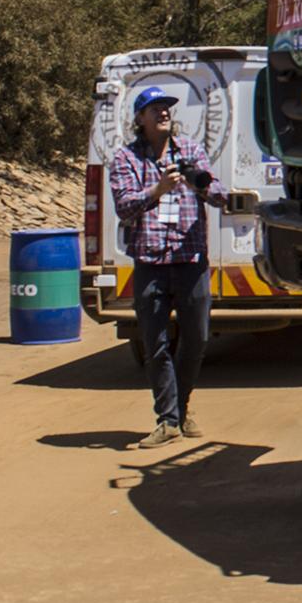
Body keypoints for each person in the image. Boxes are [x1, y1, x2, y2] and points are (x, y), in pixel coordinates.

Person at [107, 86, 228, 448]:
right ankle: (168, 420)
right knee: (154, 344)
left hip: (190, 260)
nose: (163, 113)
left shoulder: (189, 150)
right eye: (155, 108)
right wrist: (157, 190)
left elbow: (211, 187)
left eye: (166, 108)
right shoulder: (126, 159)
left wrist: (218, 192)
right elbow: (124, 206)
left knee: (197, 339)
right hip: (150, 264)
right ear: (140, 118)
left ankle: (180, 407)